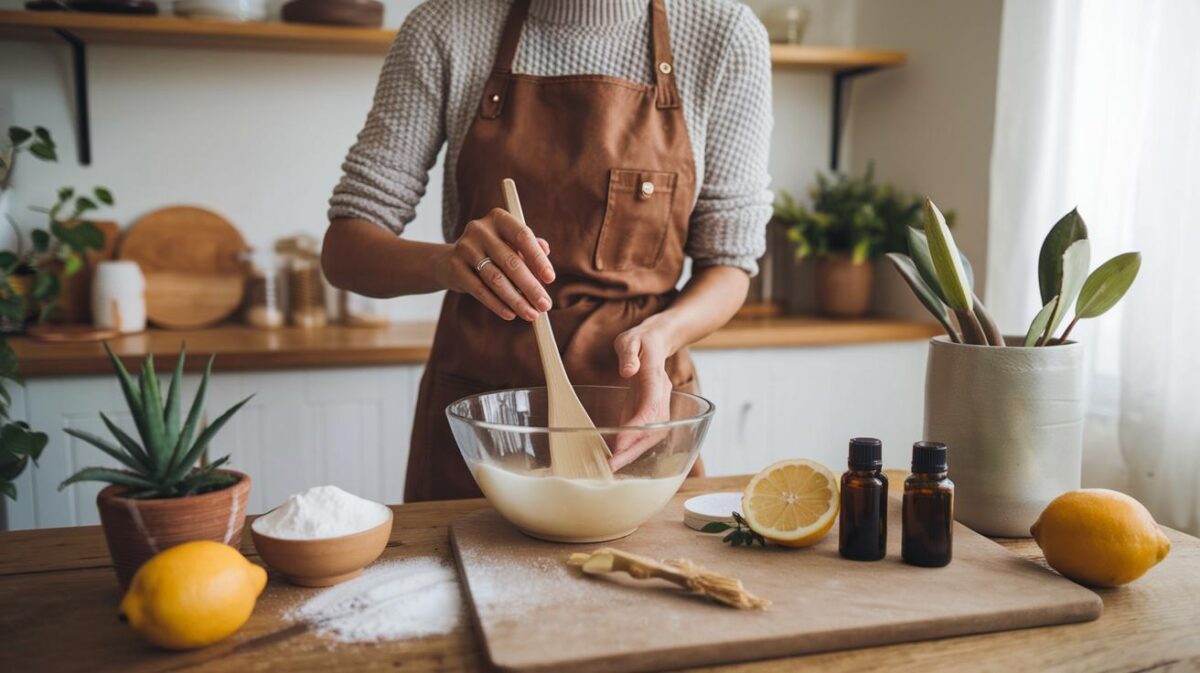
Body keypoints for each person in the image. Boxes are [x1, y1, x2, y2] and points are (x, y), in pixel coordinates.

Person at [322, 0, 773, 501]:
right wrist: (447, 262)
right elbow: (345, 249)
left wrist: (663, 336)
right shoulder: (447, 26)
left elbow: (730, 265)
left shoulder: (725, 36)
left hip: (637, 417)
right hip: (485, 422)